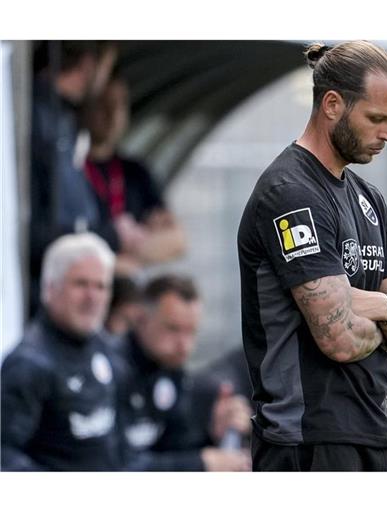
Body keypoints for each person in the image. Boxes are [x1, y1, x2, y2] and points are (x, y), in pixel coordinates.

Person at [237, 41, 387, 471]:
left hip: (378, 427)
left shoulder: (369, 200)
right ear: (332, 104)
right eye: (376, 118)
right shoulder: (290, 194)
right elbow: (339, 339)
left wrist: (376, 304)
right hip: (308, 440)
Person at [1, 233, 125, 470]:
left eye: (101, 286)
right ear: (50, 288)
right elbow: (4, 454)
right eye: (80, 284)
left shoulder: (105, 349)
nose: (92, 297)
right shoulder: (29, 363)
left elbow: (123, 451)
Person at [116, 274, 251, 471]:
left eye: (191, 331)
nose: (184, 345)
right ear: (141, 319)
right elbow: (115, 464)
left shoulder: (171, 373)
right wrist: (200, 463)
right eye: (173, 329)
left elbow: (174, 449)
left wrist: (213, 434)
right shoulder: (111, 372)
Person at [28, 42, 123, 316]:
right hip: (40, 296)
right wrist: (109, 236)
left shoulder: (62, 121)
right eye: (107, 68)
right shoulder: (39, 120)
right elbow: (30, 229)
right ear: (88, 64)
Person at [83, 75, 186, 276]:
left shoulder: (135, 171)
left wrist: (128, 256)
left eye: (120, 105)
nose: (112, 114)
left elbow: (176, 241)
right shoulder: (71, 169)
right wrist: (113, 263)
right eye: (103, 104)